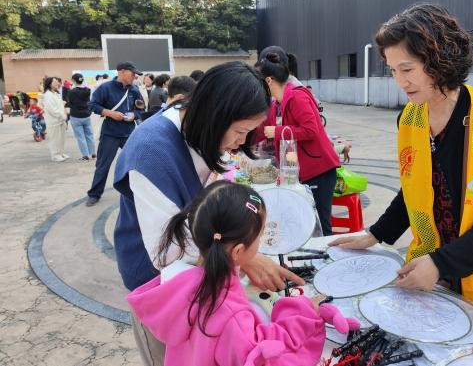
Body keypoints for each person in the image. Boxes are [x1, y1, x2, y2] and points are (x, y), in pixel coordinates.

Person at [330, 3, 473, 347]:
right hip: (438, 278)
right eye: (392, 70)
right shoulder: (411, 118)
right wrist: (375, 234)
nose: (400, 81)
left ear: (439, 59)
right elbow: (415, 188)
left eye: (407, 68)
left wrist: (440, 262)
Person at [113, 61, 306, 365]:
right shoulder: (150, 152)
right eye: (240, 131)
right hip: (164, 286)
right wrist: (245, 255)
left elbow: (215, 188)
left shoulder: (202, 130)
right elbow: (166, 250)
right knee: (173, 355)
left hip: (202, 271)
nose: (241, 143)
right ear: (215, 116)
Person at [127, 181, 359, 366]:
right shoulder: (226, 309)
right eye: (259, 236)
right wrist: (304, 312)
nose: (261, 242)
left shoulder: (181, 282)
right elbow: (259, 353)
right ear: (239, 251)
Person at [254, 46, 340, 236]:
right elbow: (261, 130)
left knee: (319, 222)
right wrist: (238, 141)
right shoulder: (277, 102)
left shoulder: (297, 96)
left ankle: (326, 258)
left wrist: (276, 131)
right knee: (304, 220)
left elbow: (311, 130)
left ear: (268, 80)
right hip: (300, 170)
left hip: (319, 170)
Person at [86, 61, 144, 207]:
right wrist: (109, 113)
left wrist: (133, 116)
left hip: (129, 132)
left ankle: (139, 191)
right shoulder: (105, 88)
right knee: (103, 165)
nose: (134, 77)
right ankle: (94, 194)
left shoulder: (134, 90)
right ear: (121, 71)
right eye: (133, 74)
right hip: (110, 133)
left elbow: (140, 109)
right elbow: (92, 105)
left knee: (136, 163)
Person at [68, 73, 96, 161]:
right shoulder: (87, 90)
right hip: (86, 115)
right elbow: (89, 101)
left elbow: (70, 103)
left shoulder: (71, 91)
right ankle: (93, 153)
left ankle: (85, 155)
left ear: (73, 80)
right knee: (89, 135)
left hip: (75, 116)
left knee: (80, 136)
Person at [43, 77, 69, 162]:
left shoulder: (56, 93)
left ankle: (61, 153)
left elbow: (59, 105)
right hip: (54, 121)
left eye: (57, 82)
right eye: (55, 82)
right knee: (55, 139)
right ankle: (55, 155)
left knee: (61, 138)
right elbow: (52, 109)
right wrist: (62, 115)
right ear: (50, 84)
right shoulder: (48, 95)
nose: (57, 83)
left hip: (61, 120)